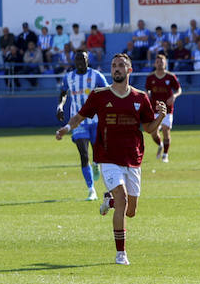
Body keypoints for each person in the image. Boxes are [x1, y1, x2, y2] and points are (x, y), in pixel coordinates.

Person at [55, 53, 165, 266]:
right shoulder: (99, 95)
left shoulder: (140, 98)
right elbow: (80, 116)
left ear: (129, 70)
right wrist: (67, 128)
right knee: (123, 199)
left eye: (121, 65)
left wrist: (160, 116)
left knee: (131, 211)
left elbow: (149, 128)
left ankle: (110, 201)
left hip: (132, 158)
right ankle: (120, 253)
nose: (116, 69)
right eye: (114, 65)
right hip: (108, 157)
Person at [56, 50, 108, 200]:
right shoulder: (69, 77)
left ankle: (97, 163)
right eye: (77, 59)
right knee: (84, 155)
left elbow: (107, 92)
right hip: (77, 121)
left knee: (97, 153)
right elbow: (63, 93)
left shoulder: (96, 76)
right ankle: (91, 189)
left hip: (96, 121)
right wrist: (60, 106)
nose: (80, 62)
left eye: (83, 59)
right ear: (74, 61)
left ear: (87, 60)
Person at [144, 51, 181, 163]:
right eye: (158, 62)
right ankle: (160, 145)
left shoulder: (170, 76)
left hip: (168, 109)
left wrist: (174, 96)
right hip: (154, 108)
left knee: (166, 130)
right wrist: (147, 95)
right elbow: (147, 89)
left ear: (165, 63)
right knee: (153, 133)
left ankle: (165, 154)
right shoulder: (150, 77)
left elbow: (179, 89)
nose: (160, 64)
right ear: (155, 64)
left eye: (162, 62)